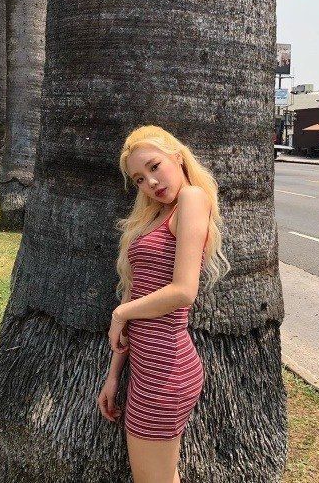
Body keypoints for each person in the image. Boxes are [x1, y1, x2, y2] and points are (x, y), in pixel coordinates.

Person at [98, 125, 230, 483]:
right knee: (161, 476)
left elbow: (184, 291)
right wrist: (114, 376)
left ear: (177, 155)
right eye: (139, 179)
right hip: (145, 370)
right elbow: (135, 290)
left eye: (154, 167)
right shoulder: (153, 216)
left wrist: (120, 313)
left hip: (166, 372)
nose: (151, 183)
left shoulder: (192, 199)